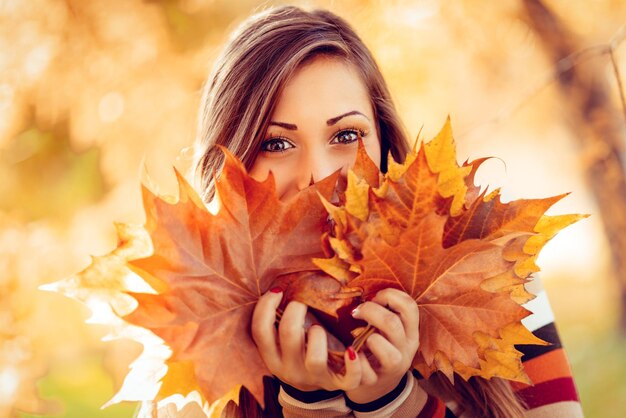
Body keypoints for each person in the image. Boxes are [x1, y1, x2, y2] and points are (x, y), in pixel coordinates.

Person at [192, 5, 584, 418]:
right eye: (276, 144)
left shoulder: (485, 273)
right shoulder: (191, 340)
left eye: (346, 135)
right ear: (228, 160)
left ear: (383, 143)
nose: (319, 177)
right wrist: (310, 404)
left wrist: (394, 402)